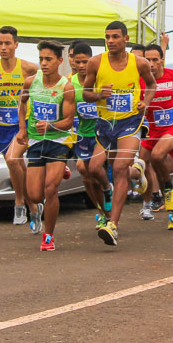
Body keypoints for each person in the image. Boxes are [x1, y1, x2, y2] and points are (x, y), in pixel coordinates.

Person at [82, 21, 156, 246]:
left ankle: (112, 224)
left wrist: (145, 101)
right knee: (93, 167)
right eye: (107, 37)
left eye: (115, 36)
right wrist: (98, 95)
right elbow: (85, 93)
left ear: (125, 39)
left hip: (130, 123)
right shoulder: (96, 62)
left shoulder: (139, 63)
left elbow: (151, 85)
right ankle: (121, 182)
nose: (111, 41)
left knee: (119, 168)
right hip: (105, 124)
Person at [0, 25, 39, 226]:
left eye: (7, 43)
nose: (3, 47)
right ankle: (34, 206)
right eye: (0, 43)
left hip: (23, 124)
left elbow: (44, 89)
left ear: (16, 45)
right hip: (2, 125)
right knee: (17, 166)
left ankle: (19, 202)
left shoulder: (28, 68)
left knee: (13, 160)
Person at [16, 40, 76, 251]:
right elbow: (21, 104)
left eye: (48, 59)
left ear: (60, 61)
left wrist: (50, 126)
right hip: (35, 141)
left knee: (51, 189)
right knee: (34, 195)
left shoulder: (66, 87)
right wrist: (22, 129)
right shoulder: (30, 82)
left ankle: (48, 236)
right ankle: (62, 170)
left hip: (58, 141)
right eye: (41, 59)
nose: (43, 63)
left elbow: (69, 121)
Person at [140, 43, 173, 229]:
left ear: (162, 59)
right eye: (148, 60)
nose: (151, 64)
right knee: (141, 165)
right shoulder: (141, 80)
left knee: (157, 156)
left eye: (155, 59)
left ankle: (168, 190)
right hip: (151, 131)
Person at [68, 42, 111, 222]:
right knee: (86, 177)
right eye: (77, 62)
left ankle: (108, 189)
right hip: (83, 134)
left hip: (101, 133)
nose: (81, 66)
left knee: (92, 167)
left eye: (85, 62)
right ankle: (102, 212)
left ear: (91, 61)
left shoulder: (99, 78)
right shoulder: (70, 84)